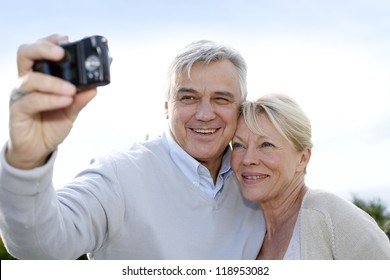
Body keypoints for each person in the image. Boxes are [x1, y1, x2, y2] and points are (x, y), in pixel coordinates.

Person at [0, 34, 265, 259]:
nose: (205, 113)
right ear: (166, 107)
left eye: (221, 99)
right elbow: (40, 245)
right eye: (188, 97)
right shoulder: (119, 176)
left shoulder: (258, 183)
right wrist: (27, 160)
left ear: (242, 109)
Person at [231, 93, 390, 260]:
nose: (248, 159)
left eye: (266, 145)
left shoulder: (329, 214)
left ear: (303, 158)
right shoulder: (248, 231)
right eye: (239, 145)